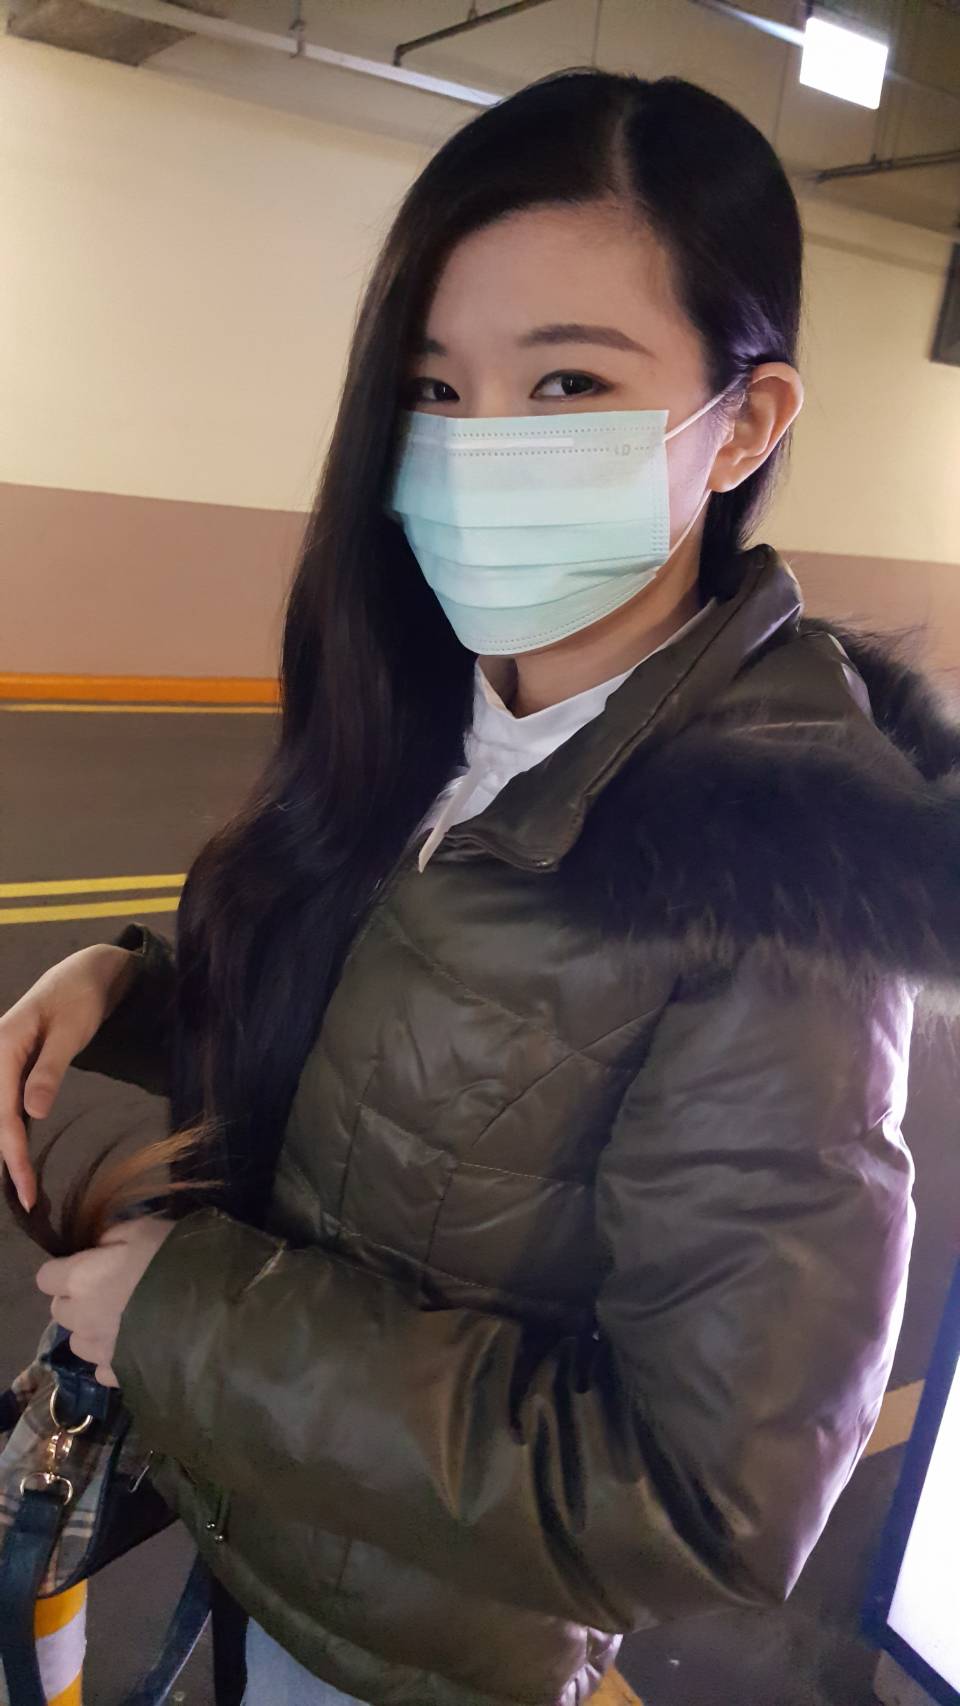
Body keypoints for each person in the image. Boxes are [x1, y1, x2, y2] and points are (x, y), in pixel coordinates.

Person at [7, 66, 960, 1706]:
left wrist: (187, 1321)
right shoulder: (436, 704)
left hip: (406, 1660)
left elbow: (708, 1501)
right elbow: (416, 1041)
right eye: (433, 388)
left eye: (569, 380)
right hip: (255, 1536)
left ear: (744, 424)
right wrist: (135, 988)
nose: (473, 450)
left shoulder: (775, 895)